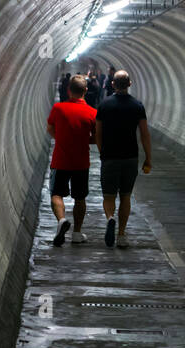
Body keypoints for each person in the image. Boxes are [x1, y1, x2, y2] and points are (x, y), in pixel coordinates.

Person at [95, 70, 151, 248]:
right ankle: (121, 234)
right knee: (126, 196)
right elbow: (144, 134)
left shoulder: (104, 105)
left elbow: (98, 133)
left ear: (112, 85)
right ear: (130, 84)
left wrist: (102, 152)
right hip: (130, 158)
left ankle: (110, 218)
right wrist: (148, 158)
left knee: (108, 196)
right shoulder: (137, 106)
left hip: (110, 157)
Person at [46, 74, 97, 246]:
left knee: (56, 194)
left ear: (68, 90)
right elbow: (97, 138)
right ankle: (77, 233)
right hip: (81, 162)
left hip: (61, 160)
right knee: (80, 198)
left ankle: (61, 220)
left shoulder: (58, 108)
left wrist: (61, 139)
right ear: (86, 91)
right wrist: (83, 139)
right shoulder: (92, 113)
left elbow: (50, 128)